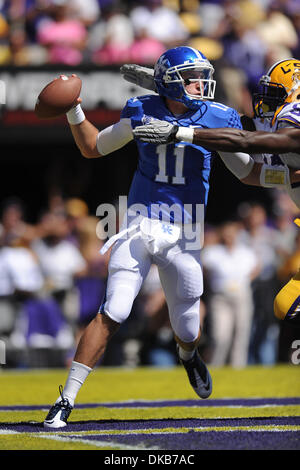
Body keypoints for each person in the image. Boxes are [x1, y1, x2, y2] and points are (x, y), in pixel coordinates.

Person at [44, 46, 244, 428]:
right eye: (191, 78)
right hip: (141, 222)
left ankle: (188, 356)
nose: (202, 84)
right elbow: (92, 147)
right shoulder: (141, 109)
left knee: (186, 327)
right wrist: (74, 109)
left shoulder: (221, 116)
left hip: (186, 232)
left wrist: (281, 169)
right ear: (171, 82)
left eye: (202, 75)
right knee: (114, 309)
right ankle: (66, 399)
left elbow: (246, 171)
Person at [122, 59, 300, 208]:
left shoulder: (292, 119)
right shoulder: (279, 125)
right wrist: (173, 89)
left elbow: (246, 140)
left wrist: (180, 133)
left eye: (275, 92)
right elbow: (233, 122)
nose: (268, 98)